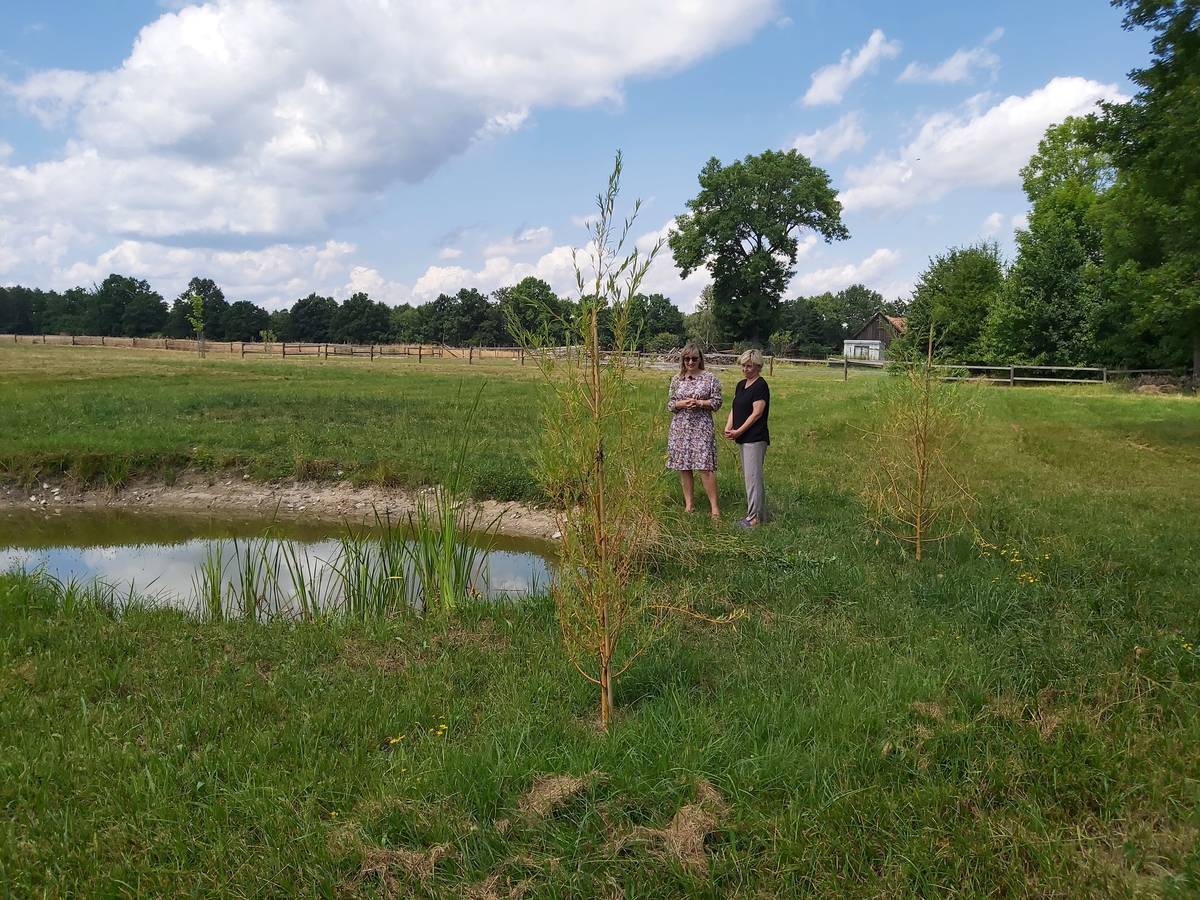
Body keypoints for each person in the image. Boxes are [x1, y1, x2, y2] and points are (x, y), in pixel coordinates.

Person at [666, 343, 722, 518]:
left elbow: (717, 402)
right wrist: (681, 404)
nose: (690, 362)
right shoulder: (677, 379)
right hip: (680, 427)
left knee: (705, 466)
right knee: (684, 465)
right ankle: (689, 505)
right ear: (683, 360)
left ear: (700, 359)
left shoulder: (710, 378)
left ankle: (714, 509)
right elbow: (670, 404)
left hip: (701, 427)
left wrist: (700, 403)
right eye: (687, 359)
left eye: (694, 359)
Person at [724, 348, 770, 527]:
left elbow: (757, 413)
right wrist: (729, 426)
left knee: (753, 478)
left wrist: (739, 431)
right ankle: (759, 514)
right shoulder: (741, 385)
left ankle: (754, 519)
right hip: (742, 437)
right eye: (743, 366)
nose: (745, 369)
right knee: (750, 477)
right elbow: (735, 407)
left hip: (755, 438)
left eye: (749, 366)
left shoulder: (760, 386)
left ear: (758, 366)